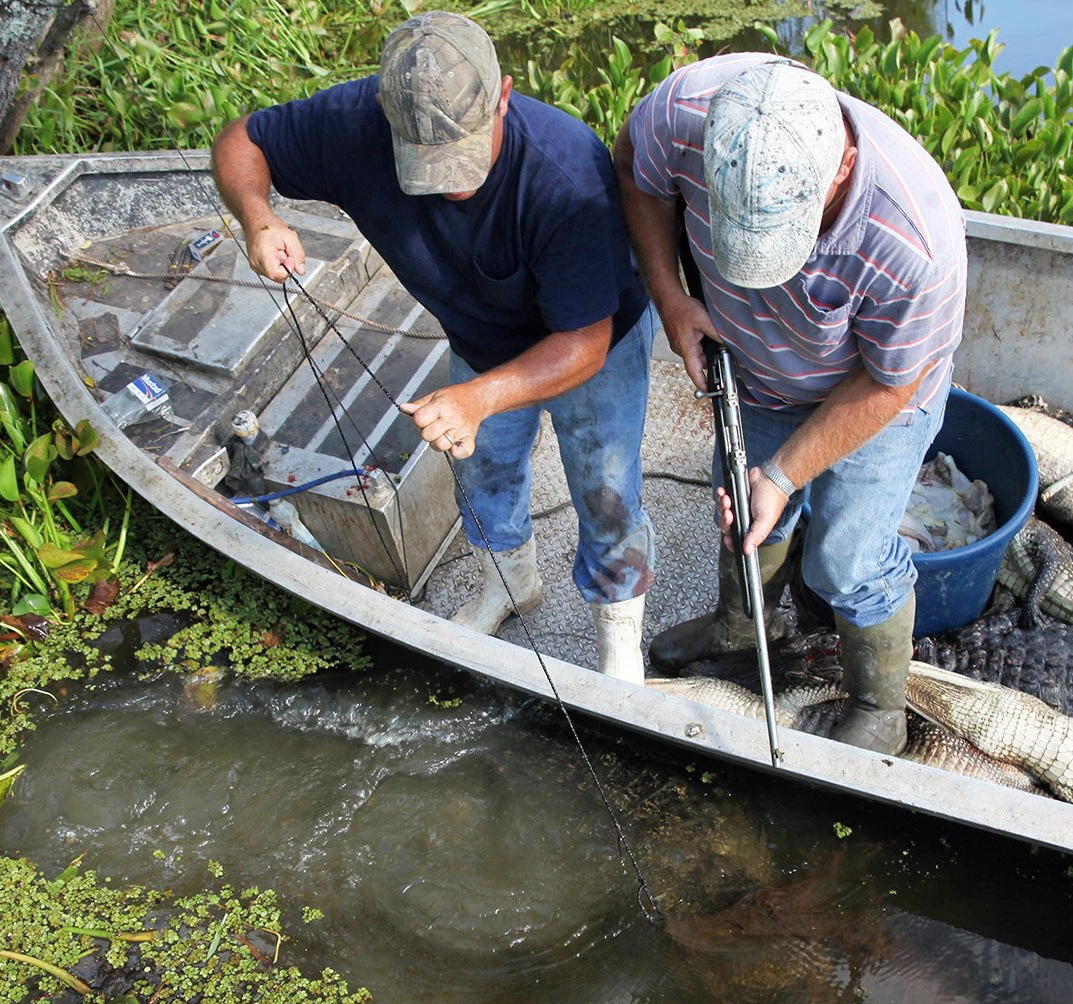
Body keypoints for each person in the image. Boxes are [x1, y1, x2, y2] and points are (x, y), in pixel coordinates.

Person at [212, 12, 658, 681]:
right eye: (431, 162)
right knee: (480, 473)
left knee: (605, 492)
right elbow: (242, 140)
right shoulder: (352, 124)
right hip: (477, 337)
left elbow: (584, 344)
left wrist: (481, 397)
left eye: (469, 152)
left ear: (503, 94)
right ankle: (510, 583)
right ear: (385, 110)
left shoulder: (566, 173)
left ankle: (620, 641)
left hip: (591, 343)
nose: (456, 182)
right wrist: (260, 216)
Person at [614, 55, 968, 753]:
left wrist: (783, 474)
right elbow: (635, 170)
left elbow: (890, 384)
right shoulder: (684, 110)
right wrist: (674, 301)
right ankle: (746, 625)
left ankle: (878, 707)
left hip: (875, 392)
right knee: (743, 511)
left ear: (838, 169)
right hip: (753, 369)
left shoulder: (916, 242)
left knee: (844, 559)